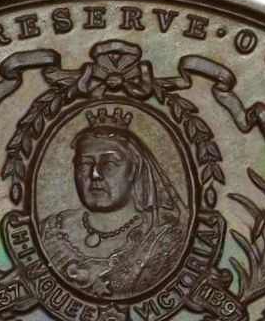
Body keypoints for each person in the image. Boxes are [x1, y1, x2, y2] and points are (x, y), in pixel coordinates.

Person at [39, 107, 187, 299]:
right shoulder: (48, 231)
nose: (95, 174)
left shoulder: (165, 238)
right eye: (85, 164)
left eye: (109, 164)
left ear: (133, 170)